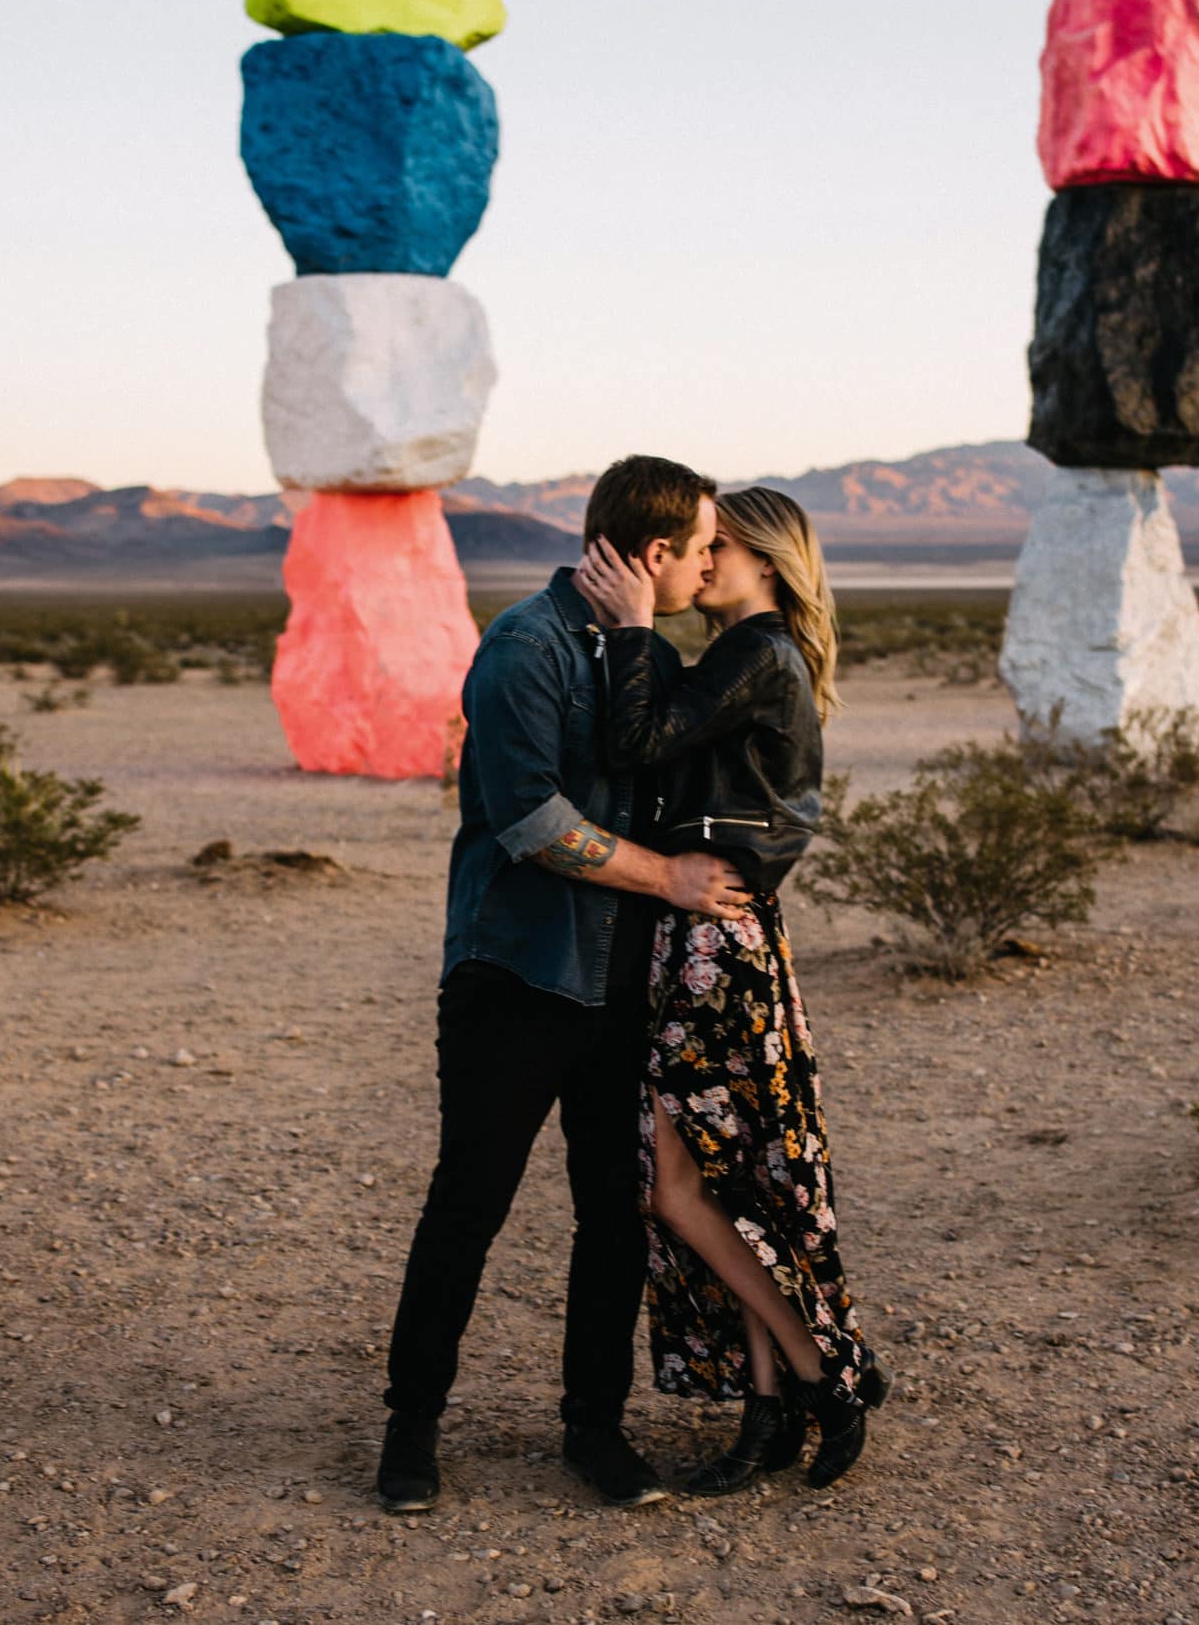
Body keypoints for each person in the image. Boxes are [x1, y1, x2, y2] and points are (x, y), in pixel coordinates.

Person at [376, 455, 754, 1515]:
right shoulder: (523, 646)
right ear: (655, 551)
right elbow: (532, 820)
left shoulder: (647, 653)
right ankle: (411, 1424)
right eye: (701, 547)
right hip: (518, 972)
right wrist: (668, 878)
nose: (709, 565)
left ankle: (595, 1428)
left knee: (614, 1215)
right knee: (470, 1202)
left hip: (622, 982)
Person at [571, 486, 887, 1495]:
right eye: (701, 547)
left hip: (716, 942)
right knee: (725, 1181)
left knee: (677, 1187)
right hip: (704, 934)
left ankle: (824, 1370)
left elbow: (634, 742)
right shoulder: (748, 652)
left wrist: (631, 627)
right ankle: (770, 1403)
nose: (701, 563)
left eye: (721, 548)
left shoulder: (758, 649)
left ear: (769, 563)